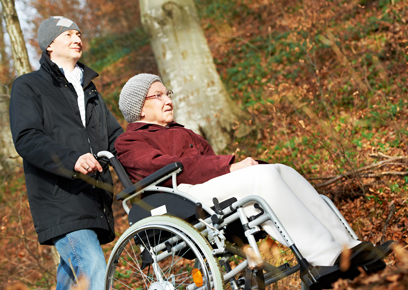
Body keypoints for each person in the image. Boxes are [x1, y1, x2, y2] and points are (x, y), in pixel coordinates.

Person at [114, 73, 394, 286]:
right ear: (139, 108)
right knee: (264, 175)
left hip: (207, 187)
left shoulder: (184, 132)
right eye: (158, 96)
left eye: (168, 93)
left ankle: (346, 246)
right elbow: (174, 168)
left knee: (280, 169)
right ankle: (324, 258)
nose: (168, 100)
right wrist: (230, 167)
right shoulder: (130, 141)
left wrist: (232, 167)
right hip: (183, 196)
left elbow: (205, 159)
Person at [9, 16, 123, 289]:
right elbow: (27, 138)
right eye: (68, 34)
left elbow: (115, 139)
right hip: (59, 198)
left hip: (95, 197)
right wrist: (73, 160)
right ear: (49, 45)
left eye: (79, 34)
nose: (77, 39)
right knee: (93, 267)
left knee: (74, 278)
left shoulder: (89, 90)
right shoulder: (28, 86)